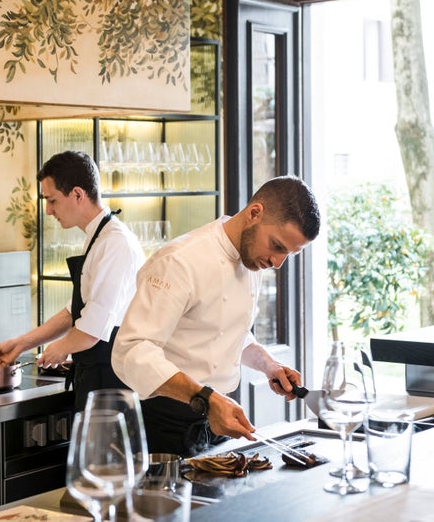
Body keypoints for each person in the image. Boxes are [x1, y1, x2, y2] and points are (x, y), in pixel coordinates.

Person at [111, 175, 321, 456]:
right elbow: (131, 351)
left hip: (218, 420)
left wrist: (269, 365)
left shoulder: (252, 260)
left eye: (290, 254)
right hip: (165, 426)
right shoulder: (179, 261)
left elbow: (227, 331)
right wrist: (205, 399)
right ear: (254, 213)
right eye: (277, 246)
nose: (277, 263)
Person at [0, 151, 145, 410]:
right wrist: (22, 343)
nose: (48, 210)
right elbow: (75, 311)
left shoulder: (115, 243)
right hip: (97, 376)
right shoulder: (97, 237)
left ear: (78, 194)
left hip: (113, 381)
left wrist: (59, 348)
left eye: (52, 200)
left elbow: (93, 328)